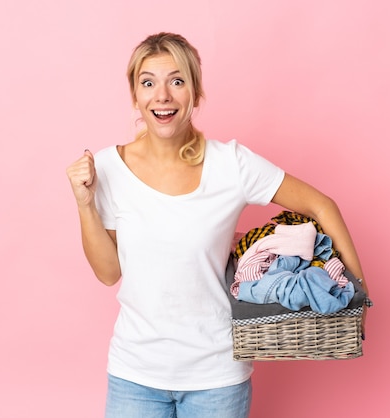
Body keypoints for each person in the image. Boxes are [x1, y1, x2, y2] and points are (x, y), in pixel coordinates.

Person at [66, 32, 369, 418]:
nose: (162, 96)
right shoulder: (108, 167)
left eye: (176, 81)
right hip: (134, 376)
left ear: (194, 92)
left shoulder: (232, 164)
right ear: (135, 96)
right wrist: (84, 203)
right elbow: (109, 273)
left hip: (217, 379)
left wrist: (359, 294)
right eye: (148, 82)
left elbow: (321, 206)